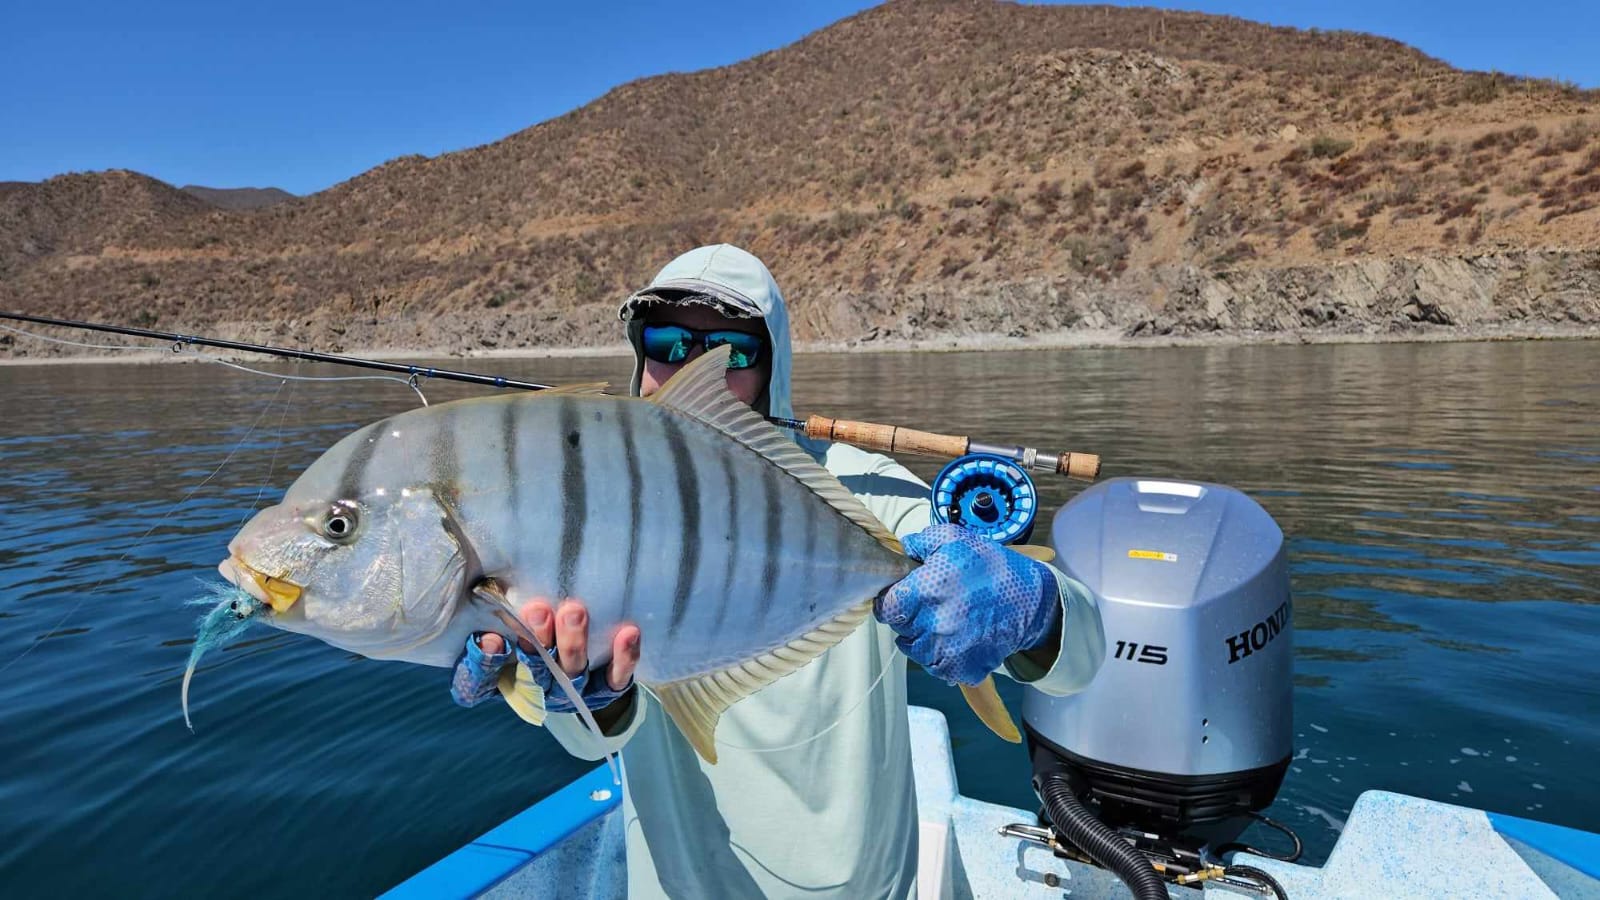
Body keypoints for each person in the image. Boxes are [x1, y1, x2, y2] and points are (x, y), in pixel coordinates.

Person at [450, 244, 1105, 899]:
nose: (694, 370)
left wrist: (1038, 610)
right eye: (667, 344)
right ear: (639, 356)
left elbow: (1083, 660)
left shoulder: (857, 489)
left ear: (773, 366)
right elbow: (591, 744)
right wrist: (581, 693)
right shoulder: (591, 505)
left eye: (731, 352)